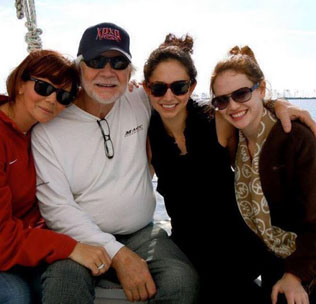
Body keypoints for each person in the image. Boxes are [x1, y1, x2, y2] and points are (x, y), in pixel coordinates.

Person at [31, 23, 200, 304]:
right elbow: (56, 209)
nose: (107, 72)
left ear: (130, 73)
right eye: (97, 61)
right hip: (77, 241)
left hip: (141, 232)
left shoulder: (140, 100)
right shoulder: (49, 128)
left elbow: (183, 100)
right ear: (80, 68)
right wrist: (118, 255)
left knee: (181, 280)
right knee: (63, 288)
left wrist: (278, 106)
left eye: (118, 62)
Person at [143, 34, 316, 303]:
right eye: (158, 88)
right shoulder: (148, 136)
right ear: (146, 88)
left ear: (192, 87)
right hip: (189, 252)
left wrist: (277, 103)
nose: (169, 96)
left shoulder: (218, 122)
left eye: (179, 87)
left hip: (239, 252)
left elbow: (249, 113)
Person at [0, 50, 112, 304]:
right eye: (42, 87)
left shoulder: (35, 129)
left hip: (23, 241)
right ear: (19, 84)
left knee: (64, 283)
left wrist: (127, 92)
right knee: (16, 295)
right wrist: (70, 247)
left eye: (63, 96)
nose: (52, 100)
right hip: (5, 246)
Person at [210, 45, 316, 304]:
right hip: (270, 259)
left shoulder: (295, 138)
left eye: (242, 93)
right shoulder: (239, 137)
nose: (232, 105)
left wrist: (295, 275)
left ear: (262, 89)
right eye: (222, 99)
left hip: (306, 262)